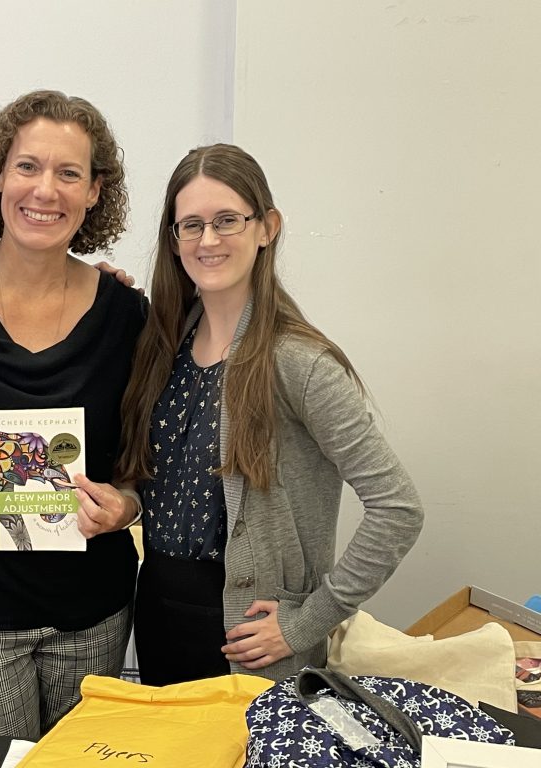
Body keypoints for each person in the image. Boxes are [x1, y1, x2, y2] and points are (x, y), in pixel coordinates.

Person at [111, 143, 424, 685]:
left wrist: (307, 623)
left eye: (227, 220)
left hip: (249, 641)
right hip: (159, 615)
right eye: (191, 225)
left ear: (267, 227)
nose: (208, 240)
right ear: (174, 239)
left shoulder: (299, 363)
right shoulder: (166, 344)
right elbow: (161, 482)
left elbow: (398, 508)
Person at [0, 90, 146, 739]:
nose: (46, 190)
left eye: (69, 173)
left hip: (92, 613)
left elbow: (144, 460)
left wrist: (125, 504)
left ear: (95, 191)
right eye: (28, 167)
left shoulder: (126, 315)